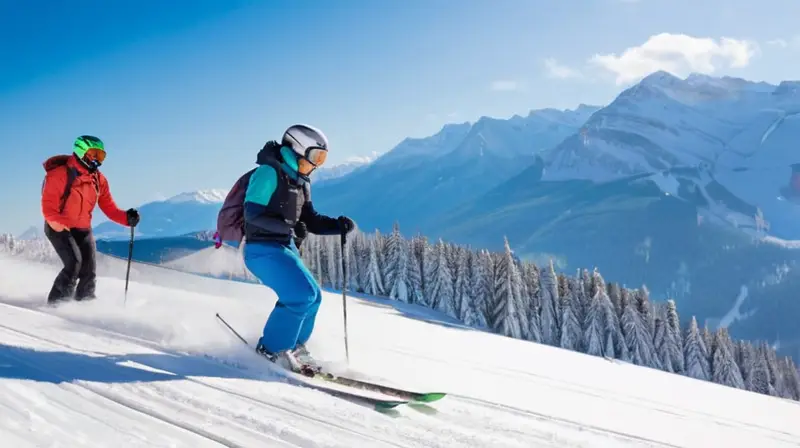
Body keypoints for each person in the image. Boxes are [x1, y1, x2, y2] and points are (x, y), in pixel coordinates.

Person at [216, 124, 355, 373]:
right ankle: (272, 350)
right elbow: (253, 214)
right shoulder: (268, 173)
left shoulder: (301, 182)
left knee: (313, 296)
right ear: (297, 148)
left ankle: (295, 347)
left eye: (322, 158)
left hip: (283, 246)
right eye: (315, 156)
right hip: (261, 249)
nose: (317, 164)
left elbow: (310, 220)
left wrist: (337, 226)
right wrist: (288, 228)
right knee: (300, 296)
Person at [41, 135, 140, 304]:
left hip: (83, 229)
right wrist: (58, 224)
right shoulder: (58, 175)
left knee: (89, 271)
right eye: (93, 154)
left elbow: (109, 207)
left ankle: (85, 305)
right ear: (81, 152)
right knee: (74, 264)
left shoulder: (98, 180)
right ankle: (57, 305)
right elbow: (48, 207)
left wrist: (126, 218)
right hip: (59, 227)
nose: (97, 160)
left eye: (100, 156)